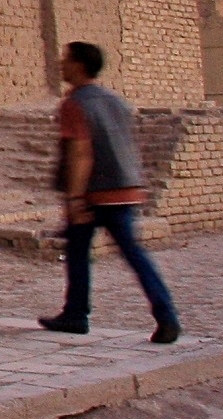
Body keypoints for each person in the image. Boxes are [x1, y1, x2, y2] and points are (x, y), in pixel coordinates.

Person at [40, 41, 181, 344]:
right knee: (132, 253)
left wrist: (75, 198)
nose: (61, 64)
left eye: (66, 60)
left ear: (78, 65)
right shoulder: (115, 101)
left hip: (94, 193)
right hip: (126, 187)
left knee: (78, 250)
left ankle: (76, 314)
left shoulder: (74, 104)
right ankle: (166, 315)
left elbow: (81, 153)